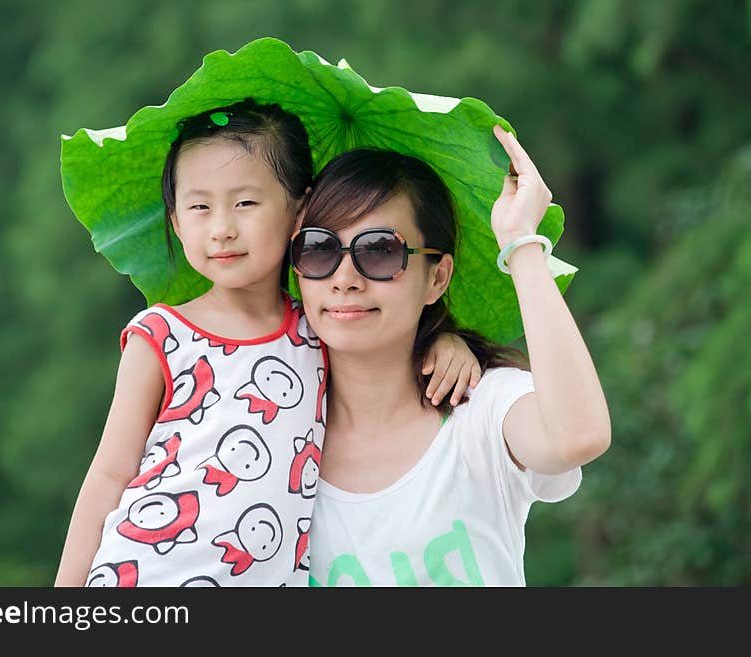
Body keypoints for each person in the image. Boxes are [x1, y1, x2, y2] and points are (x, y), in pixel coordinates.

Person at [54, 99, 481, 587]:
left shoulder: (322, 330)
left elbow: (386, 350)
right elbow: (110, 475)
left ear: (299, 212)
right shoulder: (160, 335)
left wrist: (445, 342)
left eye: (246, 203)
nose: (222, 228)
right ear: (175, 222)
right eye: (199, 207)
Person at [291, 128, 611, 586]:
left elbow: (578, 437)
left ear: (437, 278)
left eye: (380, 251)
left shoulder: (481, 408)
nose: (344, 278)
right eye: (319, 248)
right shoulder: (269, 432)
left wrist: (521, 242)